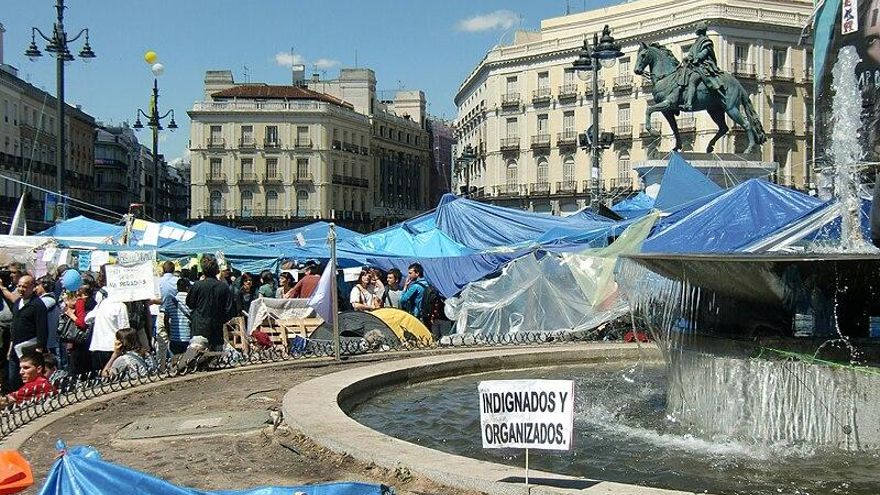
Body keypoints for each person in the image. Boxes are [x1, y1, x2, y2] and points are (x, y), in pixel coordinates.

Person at [3, 275, 47, 391]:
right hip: (15, 347)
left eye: (25, 287)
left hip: (29, 347)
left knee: (28, 377)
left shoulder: (37, 305)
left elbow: (42, 328)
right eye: (19, 286)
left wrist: (39, 349)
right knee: (13, 377)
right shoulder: (18, 303)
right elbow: (14, 325)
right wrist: (11, 345)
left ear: (32, 287)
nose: (21, 289)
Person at [186, 256, 234, 352]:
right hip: (216, 329)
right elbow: (229, 309)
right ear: (217, 270)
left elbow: (190, 303)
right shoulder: (224, 287)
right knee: (216, 359)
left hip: (199, 328)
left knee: (197, 358)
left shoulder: (197, 285)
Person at [678, 21, 723, 111]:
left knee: (692, 80)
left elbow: (705, 52)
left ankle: (689, 103)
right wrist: (688, 57)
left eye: (697, 29)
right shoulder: (696, 41)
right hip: (694, 65)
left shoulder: (706, 41)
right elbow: (691, 53)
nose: (696, 31)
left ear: (700, 30)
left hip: (703, 66)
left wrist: (697, 58)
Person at [85, 289, 130, 372]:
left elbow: (87, 319)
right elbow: (124, 330)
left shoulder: (102, 304)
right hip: (112, 348)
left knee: (99, 379)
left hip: (97, 346)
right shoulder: (120, 306)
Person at [155, 261, 179, 366]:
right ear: (173, 270)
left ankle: (161, 367)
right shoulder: (178, 281)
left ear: (163, 270)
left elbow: (158, 299)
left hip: (162, 313)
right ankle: (177, 364)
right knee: (177, 339)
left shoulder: (158, 282)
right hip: (176, 314)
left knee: (162, 343)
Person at [35, 277, 62, 368]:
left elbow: (35, 309)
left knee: (52, 364)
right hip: (47, 341)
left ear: (44, 286)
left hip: (50, 341)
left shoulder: (49, 300)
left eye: (37, 285)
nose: (35, 288)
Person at [165, 278, 192, 355]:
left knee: (176, 363)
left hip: (174, 339)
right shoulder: (191, 301)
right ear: (187, 287)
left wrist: (169, 333)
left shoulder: (170, 302)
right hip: (188, 337)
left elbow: (165, 319)